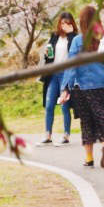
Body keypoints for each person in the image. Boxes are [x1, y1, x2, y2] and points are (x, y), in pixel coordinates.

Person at [58, 4, 104, 169]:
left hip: (83, 87)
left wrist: (65, 88)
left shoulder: (78, 41)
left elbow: (71, 66)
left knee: (87, 122)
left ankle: (89, 158)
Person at [39, 12, 76, 145]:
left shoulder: (75, 38)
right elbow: (50, 55)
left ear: (71, 24)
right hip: (53, 74)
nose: (64, 26)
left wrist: (71, 34)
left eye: (67, 23)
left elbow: (74, 53)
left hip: (66, 74)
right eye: (62, 23)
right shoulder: (54, 36)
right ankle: (48, 134)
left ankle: (66, 135)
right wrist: (46, 54)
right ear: (59, 24)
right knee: (49, 104)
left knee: (64, 106)